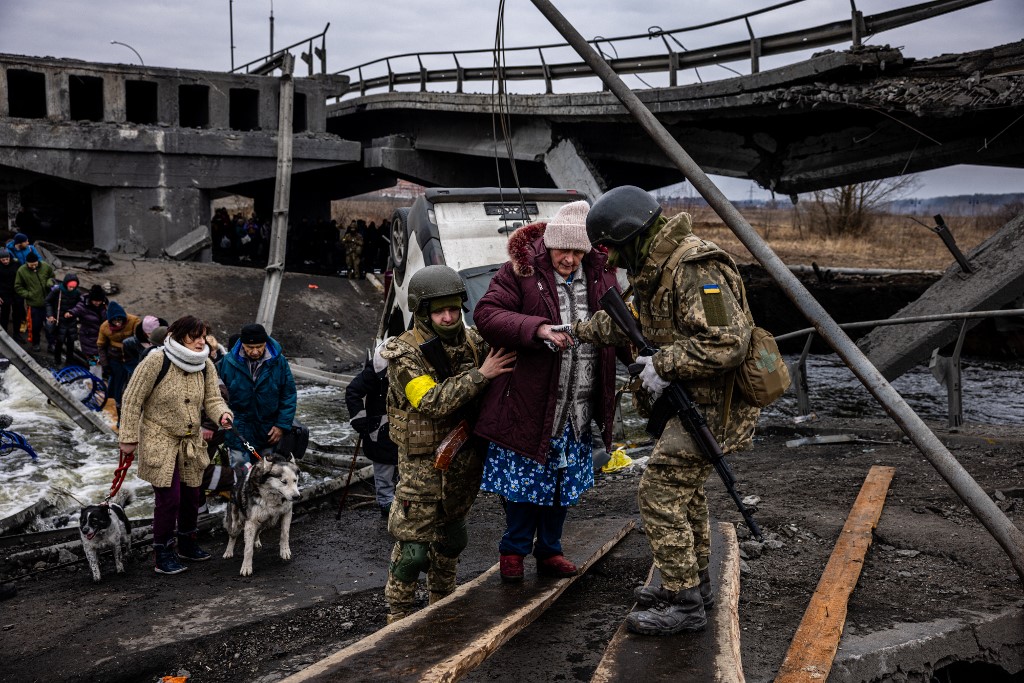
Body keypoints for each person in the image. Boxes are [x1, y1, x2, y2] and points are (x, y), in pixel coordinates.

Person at [572, 185, 760, 636]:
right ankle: (694, 586)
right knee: (684, 493)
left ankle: (685, 603)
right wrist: (571, 330)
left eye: (612, 249)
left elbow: (728, 341)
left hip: (716, 406)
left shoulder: (698, 269)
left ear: (632, 235)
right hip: (692, 400)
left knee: (657, 493)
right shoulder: (655, 269)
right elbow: (628, 320)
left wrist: (662, 363)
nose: (610, 262)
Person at [472, 200, 622, 582]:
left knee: (562, 484)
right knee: (524, 485)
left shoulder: (602, 274)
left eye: (577, 251)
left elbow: (618, 322)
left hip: (579, 405)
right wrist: (537, 329)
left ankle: (550, 549)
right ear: (549, 244)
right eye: (562, 250)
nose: (569, 259)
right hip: (530, 401)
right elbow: (487, 314)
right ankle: (514, 550)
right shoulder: (519, 272)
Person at [378, 264, 516, 623]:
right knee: (412, 552)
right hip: (422, 469)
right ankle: (398, 617)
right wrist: (481, 375)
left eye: (454, 309)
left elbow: (509, 342)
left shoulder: (473, 341)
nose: (449, 316)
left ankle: (443, 605)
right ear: (423, 312)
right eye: (440, 310)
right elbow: (431, 401)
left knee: (453, 541)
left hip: (463, 464)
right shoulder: (404, 355)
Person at [118, 315, 233, 575]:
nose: (201, 342)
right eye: (196, 337)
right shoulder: (156, 360)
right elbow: (132, 399)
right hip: (160, 438)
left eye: (204, 336)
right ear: (180, 335)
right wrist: (127, 438)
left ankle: (187, 544)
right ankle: (163, 553)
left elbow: (213, 399)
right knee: (169, 499)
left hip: (191, 441)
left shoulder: (206, 364)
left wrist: (222, 415)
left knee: (192, 495)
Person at [217, 323, 297, 467]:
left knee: (266, 470)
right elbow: (216, 394)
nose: (255, 352)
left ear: (265, 343)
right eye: (250, 347)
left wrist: (281, 425)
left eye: (259, 347)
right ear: (242, 344)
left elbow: (288, 394)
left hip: (268, 429)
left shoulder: (279, 362)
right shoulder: (227, 362)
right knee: (239, 467)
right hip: (238, 428)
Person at [345, 339, 399, 518]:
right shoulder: (376, 368)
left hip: (404, 429)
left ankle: (399, 508)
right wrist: (360, 420)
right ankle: (387, 508)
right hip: (380, 430)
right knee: (384, 472)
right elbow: (353, 391)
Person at [97, 301, 141, 413]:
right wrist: (105, 364)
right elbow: (101, 346)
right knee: (117, 387)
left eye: (120, 320)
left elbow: (140, 337)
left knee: (135, 384)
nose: (118, 324)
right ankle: (119, 409)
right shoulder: (104, 327)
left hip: (131, 358)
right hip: (115, 360)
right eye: (115, 321)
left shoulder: (134, 321)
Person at [13, 251, 55, 351]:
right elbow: (18, 286)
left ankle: (51, 344)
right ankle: (36, 344)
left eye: (35, 264)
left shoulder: (45, 266)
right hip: (33, 304)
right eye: (31, 265)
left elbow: (52, 277)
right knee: (35, 327)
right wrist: (28, 294)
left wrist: (49, 282)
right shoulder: (21, 271)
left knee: (50, 326)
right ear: (27, 263)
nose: (33, 267)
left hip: (48, 303)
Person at [44, 272, 83, 366]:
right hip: (59, 320)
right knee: (59, 341)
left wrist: (73, 312)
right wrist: (50, 315)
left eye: (74, 287)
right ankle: (57, 360)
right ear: (66, 284)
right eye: (70, 287)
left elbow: (80, 305)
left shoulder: (77, 293)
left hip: (71, 321)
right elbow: (47, 301)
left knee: (71, 343)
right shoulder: (57, 291)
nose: (71, 289)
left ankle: (69, 361)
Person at [69, 285, 107, 367]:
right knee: (94, 361)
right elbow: (76, 309)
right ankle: (95, 376)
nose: (97, 303)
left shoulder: (105, 305)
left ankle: (96, 373)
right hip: (89, 338)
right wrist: (70, 313)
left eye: (99, 301)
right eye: (95, 301)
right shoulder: (83, 305)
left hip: (101, 337)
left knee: (99, 360)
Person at [0, 247, 25, 342]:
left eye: (7, 259)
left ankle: (17, 334)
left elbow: (22, 277)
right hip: (3, 293)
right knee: (4, 314)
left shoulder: (16, 264)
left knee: (17, 314)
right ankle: (4, 333)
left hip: (16, 292)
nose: (5, 261)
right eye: (3, 260)